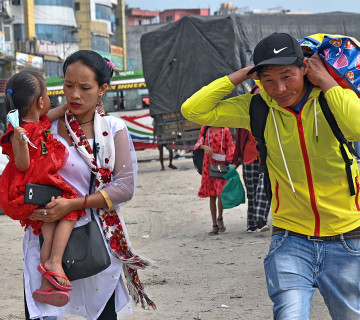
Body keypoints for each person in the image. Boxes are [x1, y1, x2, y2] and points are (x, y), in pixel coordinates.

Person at [181, 32, 360, 319]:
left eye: (287, 76)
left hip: (347, 238)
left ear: (305, 68)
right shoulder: (257, 108)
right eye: (268, 80)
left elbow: (358, 127)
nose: (279, 88)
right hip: (291, 239)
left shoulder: (331, 100)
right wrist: (240, 75)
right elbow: (193, 110)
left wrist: (326, 81)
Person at [21, 51, 155, 319]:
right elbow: (21, 172)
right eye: (68, 85)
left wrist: (72, 205)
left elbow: (124, 187)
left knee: (100, 311)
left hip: (92, 240)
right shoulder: (44, 127)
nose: (75, 95)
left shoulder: (112, 129)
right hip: (43, 238)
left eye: (85, 87)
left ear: (102, 89)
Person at [0, 69, 83, 306]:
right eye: (47, 95)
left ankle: (47, 285)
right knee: (72, 205)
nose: (50, 100)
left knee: (48, 231)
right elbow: (23, 165)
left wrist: (73, 102)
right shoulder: (19, 133)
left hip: (40, 189)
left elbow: (59, 111)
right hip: (31, 188)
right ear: (39, 102)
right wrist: (20, 142)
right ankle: (55, 262)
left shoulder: (41, 120)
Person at [232, 85, 271, 233]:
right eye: (256, 97)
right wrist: (235, 161)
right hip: (248, 157)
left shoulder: (271, 115)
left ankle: (261, 221)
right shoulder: (245, 117)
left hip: (265, 157)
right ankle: (252, 224)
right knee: (252, 191)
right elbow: (240, 141)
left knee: (263, 187)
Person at [194, 126, 234, 235]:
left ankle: (220, 218)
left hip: (220, 165)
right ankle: (214, 225)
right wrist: (204, 147)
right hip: (208, 165)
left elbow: (230, 146)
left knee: (220, 192)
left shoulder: (225, 130)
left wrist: (231, 162)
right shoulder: (205, 128)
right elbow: (198, 144)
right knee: (212, 195)